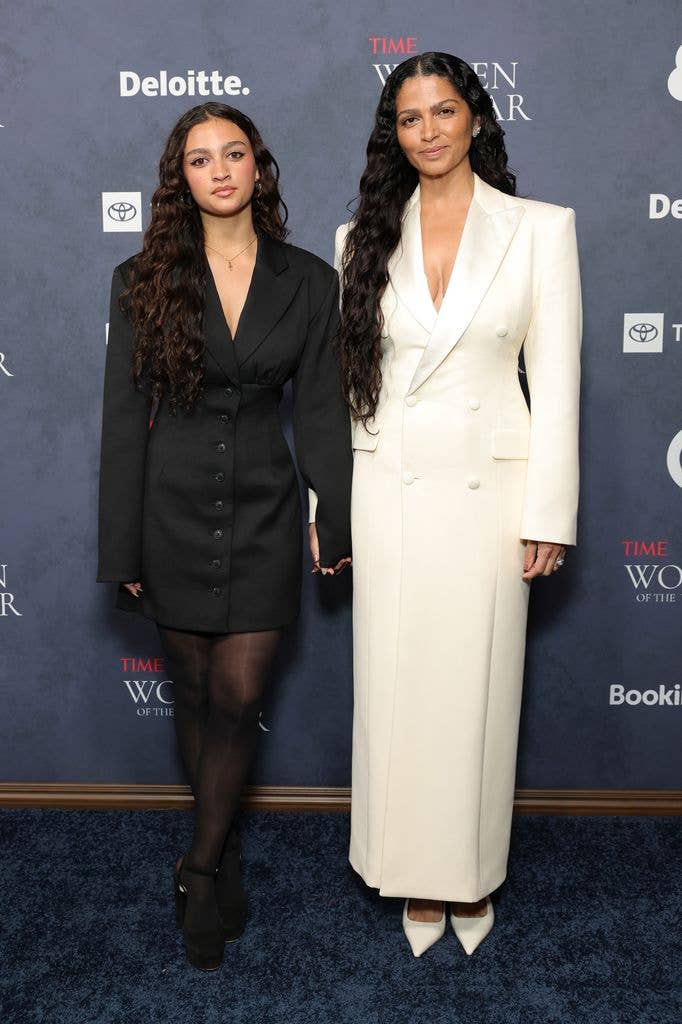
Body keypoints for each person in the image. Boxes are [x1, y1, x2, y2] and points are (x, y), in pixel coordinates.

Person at [334, 52, 581, 957]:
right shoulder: (359, 236)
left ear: (475, 116)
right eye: (410, 118)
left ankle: (468, 873)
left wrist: (548, 512)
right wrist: (337, 499)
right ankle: (407, 869)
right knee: (397, 689)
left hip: (490, 494)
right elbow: (351, 388)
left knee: (477, 689)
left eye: (444, 111)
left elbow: (556, 381)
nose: (429, 131)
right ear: (393, 134)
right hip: (392, 488)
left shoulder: (539, 228)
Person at [97, 102, 352, 971]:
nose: (219, 170)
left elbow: (321, 413)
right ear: (182, 177)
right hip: (167, 507)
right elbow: (123, 419)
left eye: (233, 153)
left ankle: (198, 866)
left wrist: (333, 513)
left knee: (240, 696)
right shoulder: (142, 278)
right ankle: (222, 842)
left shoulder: (309, 281)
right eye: (200, 158)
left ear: (258, 166)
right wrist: (121, 546)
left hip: (265, 509)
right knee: (198, 692)